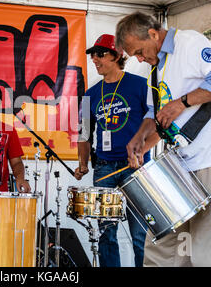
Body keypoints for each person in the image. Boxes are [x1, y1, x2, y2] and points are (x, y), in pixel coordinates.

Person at [115, 11, 211, 267]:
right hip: (181, 166)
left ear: (153, 34)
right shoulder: (155, 69)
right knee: (163, 246)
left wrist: (182, 103)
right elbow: (156, 115)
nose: (140, 58)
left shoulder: (190, 43)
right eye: (135, 56)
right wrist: (141, 139)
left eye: (140, 51)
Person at [74, 34, 158, 267]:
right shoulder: (90, 94)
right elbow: (84, 133)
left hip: (137, 168)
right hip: (105, 168)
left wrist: (142, 152)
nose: (95, 59)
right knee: (105, 233)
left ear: (117, 55)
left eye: (100, 54)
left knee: (140, 234)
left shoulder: (141, 85)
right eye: (93, 55)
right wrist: (82, 163)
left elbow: (155, 122)